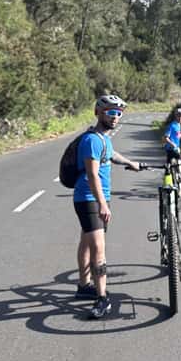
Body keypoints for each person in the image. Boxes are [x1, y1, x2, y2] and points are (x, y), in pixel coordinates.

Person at [73, 94, 144, 319]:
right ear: (98, 113)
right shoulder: (92, 140)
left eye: (119, 113)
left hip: (94, 198)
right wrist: (103, 204)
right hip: (91, 198)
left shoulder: (103, 138)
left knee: (87, 241)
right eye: (111, 112)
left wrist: (130, 163)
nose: (115, 117)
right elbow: (92, 174)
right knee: (98, 248)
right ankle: (102, 298)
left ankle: (84, 285)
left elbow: (111, 154)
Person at [163, 107, 181, 177]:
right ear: (176, 116)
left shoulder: (178, 125)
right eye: (179, 115)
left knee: (175, 165)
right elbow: (165, 138)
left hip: (176, 148)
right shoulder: (172, 125)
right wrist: (172, 144)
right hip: (171, 149)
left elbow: (177, 135)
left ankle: (178, 178)